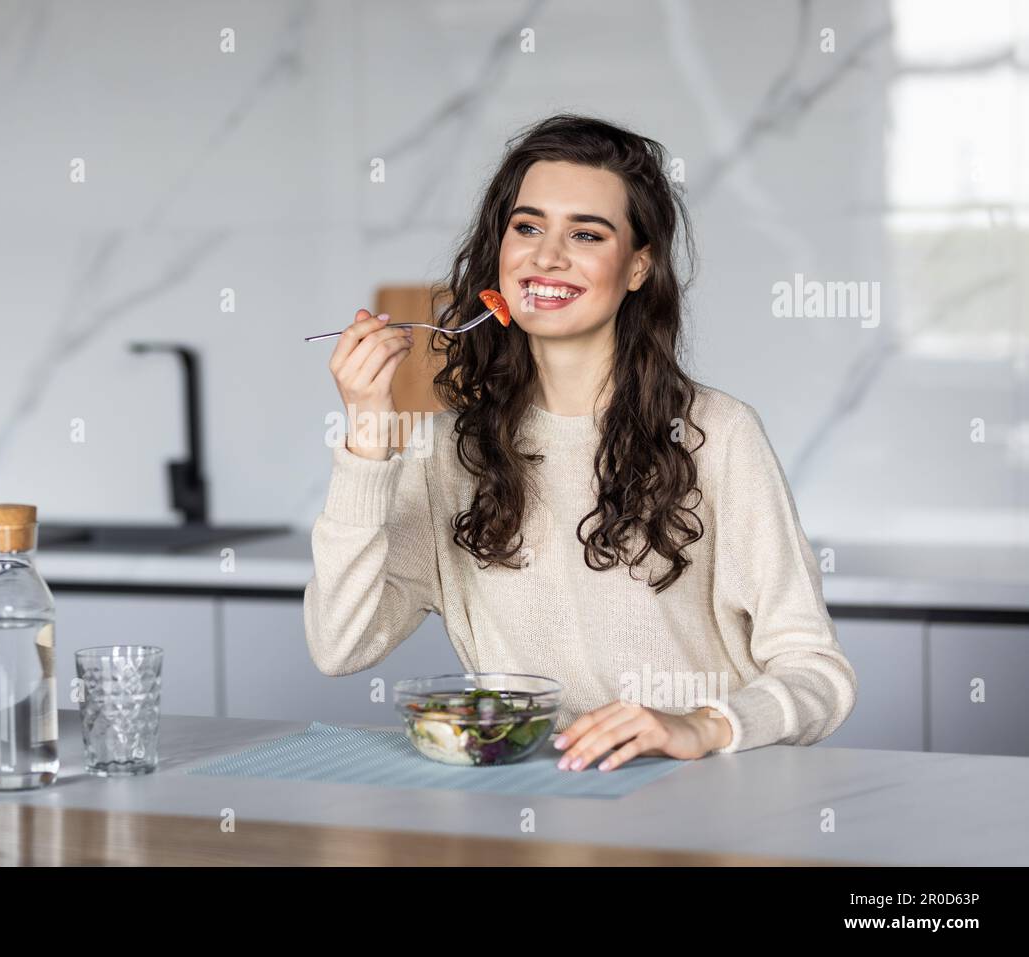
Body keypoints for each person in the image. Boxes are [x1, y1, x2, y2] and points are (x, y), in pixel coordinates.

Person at [304, 113, 856, 771]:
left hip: (696, 799)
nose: (546, 256)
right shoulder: (445, 451)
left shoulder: (719, 435)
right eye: (528, 227)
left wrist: (701, 725)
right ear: (500, 256)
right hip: (528, 805)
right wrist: (368, 432)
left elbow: (818, 675)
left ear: (637, 267)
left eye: (587, 234)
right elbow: (339, 646)